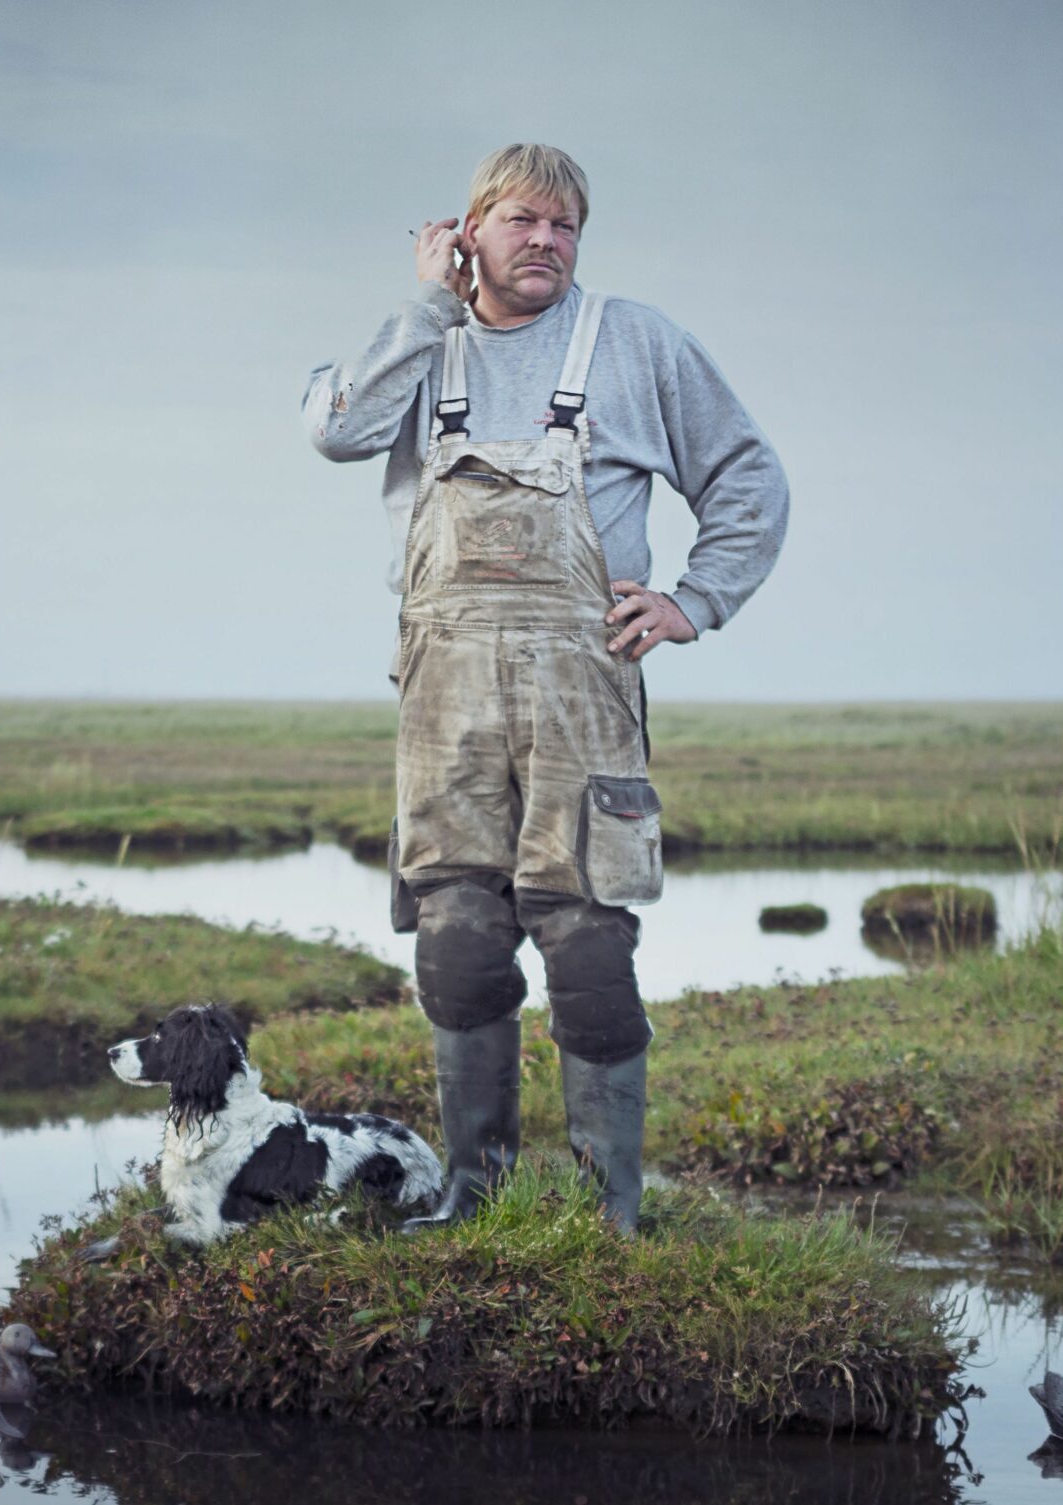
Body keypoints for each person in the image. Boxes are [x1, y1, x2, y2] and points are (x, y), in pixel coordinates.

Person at [301, 144, 787, 1233]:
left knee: (588, 937)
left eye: (566, 225)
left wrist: (691, 599)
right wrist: (424, 307)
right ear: (465, 231)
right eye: (522, 220)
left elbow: (746, 473)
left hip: (584, 682)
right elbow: (336, 430)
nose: (548, 241)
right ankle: (476, 1189)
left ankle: (606, 1202)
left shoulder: (635, 341)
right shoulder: (420, 345)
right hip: (445, 688)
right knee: (458, 930)